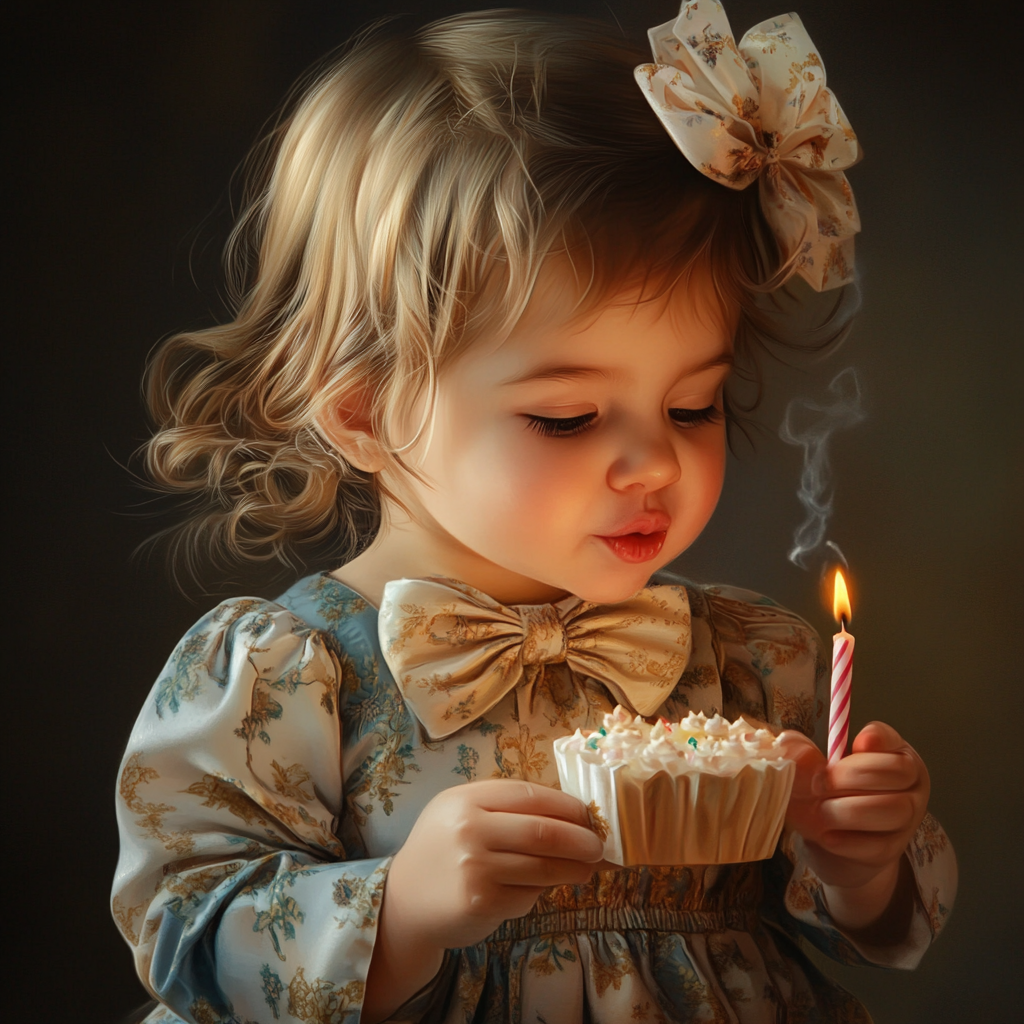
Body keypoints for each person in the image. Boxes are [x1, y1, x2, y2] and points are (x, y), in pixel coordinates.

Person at [112, 5, 956, 1022]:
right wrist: (406, 908)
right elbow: (185, 931)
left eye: (692, 403)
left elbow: (861, 931)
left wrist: (858, 861)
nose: (654, 460)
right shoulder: (283, 680)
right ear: (365, 413)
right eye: (566, 417)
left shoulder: (745, 662)